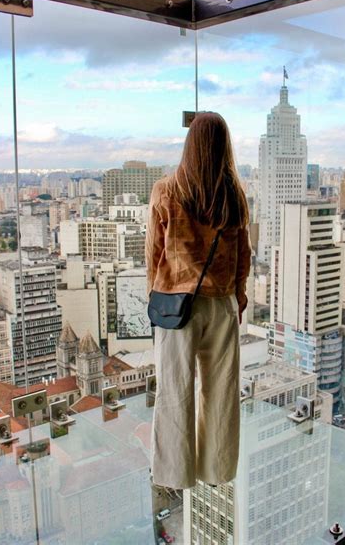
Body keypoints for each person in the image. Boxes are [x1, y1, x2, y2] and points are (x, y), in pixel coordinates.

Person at [145, 111, 252, 490]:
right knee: (221, 390)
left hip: (178, 305)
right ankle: (217, 470)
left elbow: (154, 252)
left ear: (190, 145)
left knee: (174, 389)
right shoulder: (234, 194)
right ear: (224, 146)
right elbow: (244, 253)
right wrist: (238, 296)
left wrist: (153, 294)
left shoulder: (167, 190)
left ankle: (175, 474)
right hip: (222, 304)